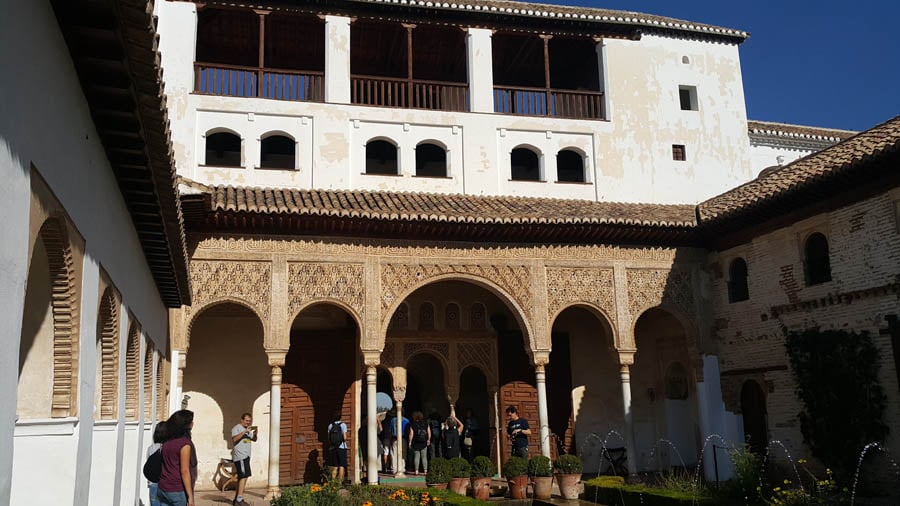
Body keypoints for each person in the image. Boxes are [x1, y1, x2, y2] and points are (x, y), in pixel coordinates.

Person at [158, 410, 197, 506]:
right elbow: (184, 471)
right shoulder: (184, 444)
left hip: (163, 486)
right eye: (191, 421)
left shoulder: (166, 442)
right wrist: (190, 496)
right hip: (177, 489)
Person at [230, 412, 257, 506]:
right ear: (241, 420)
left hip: (246, 457)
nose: (248, 422)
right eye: (246, 420)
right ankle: (239, 500)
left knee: (243, 476)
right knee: (243, 476)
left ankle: (237, 499)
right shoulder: (236, 428)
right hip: (240, 457)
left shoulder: (247, 430)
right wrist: (244, 432)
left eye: (249, 421)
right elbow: (234, 439)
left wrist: (255, 433)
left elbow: (254, 439)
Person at [147, 422, 167, 506]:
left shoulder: (151, 448)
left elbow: (149, 466)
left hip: (153, 483)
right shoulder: (168, 447)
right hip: (165, 483)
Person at [327, 410, 349, 483]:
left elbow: (329, 438)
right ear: (340, 417)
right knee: (342, 465)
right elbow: (345, 438)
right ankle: (339, 483)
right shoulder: (343, 425)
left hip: (333, 448)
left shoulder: (330, 426)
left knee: (335, 466)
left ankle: (333, 483)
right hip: (341, 447)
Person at [407, 411, 430, 475]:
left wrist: (410, 442)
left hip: (415, 442)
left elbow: (411, 434)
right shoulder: (425, 423)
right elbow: (429, 432)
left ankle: (416, 471)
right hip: (424, 442)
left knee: (416, 457)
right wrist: (428, 439)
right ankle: (425, 471)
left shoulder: (412, 424)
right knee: (424, 457)